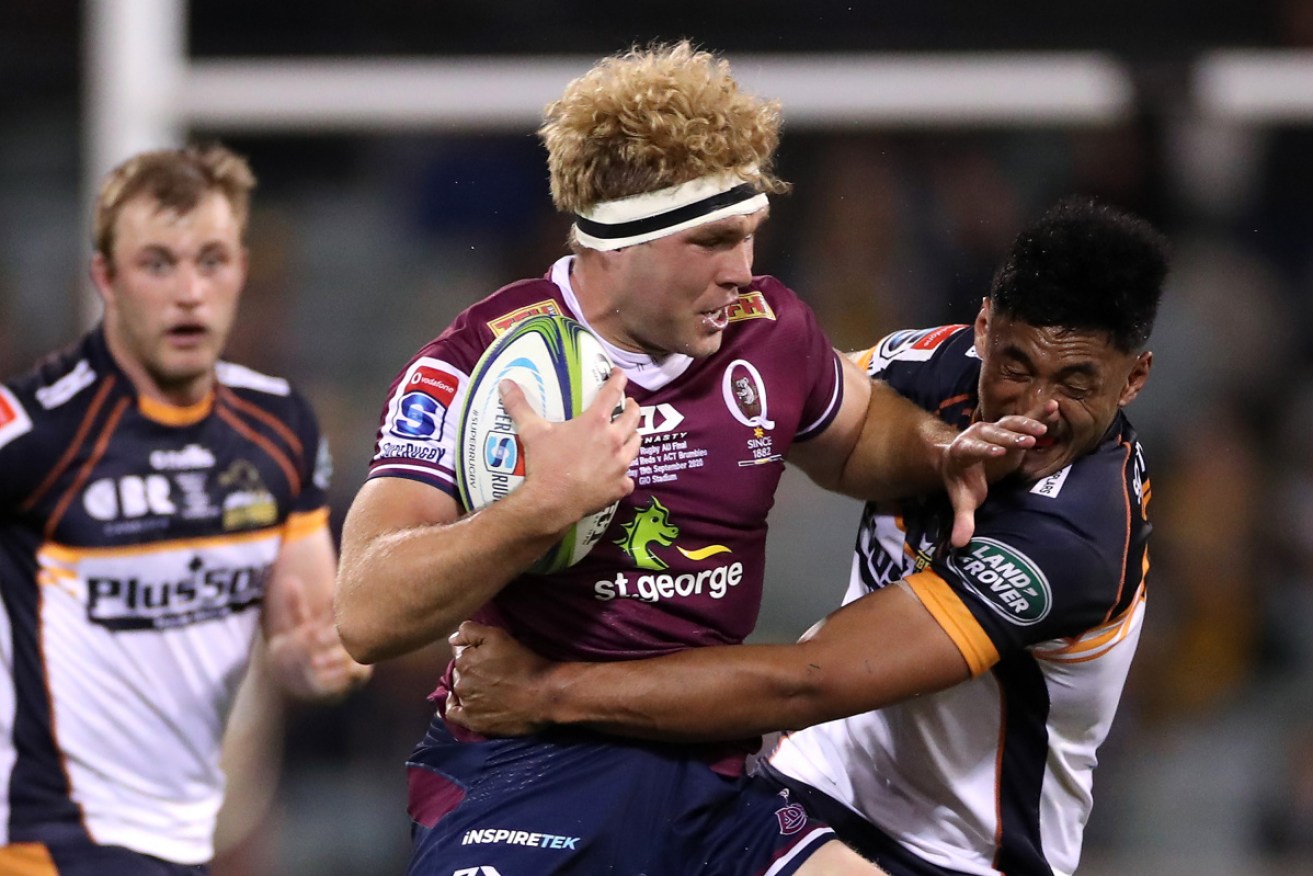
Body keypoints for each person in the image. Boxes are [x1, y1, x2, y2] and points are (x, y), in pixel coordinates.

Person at [335, 41, 1043, 876]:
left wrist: (937, 452)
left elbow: (854, 436)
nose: (740, 271)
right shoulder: (476, 367)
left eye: (748, 235)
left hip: (711, 778)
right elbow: (366, 613)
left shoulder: (768, 328)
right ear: (618, 240)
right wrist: (536, 508)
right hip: (526, 770)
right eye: (710, 242)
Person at [445, 197, 1170, 876]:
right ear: (982, 328)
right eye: (1015, 367)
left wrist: (545, 691)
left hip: (955, 857)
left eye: (1076, 383)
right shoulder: (930, 368)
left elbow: (812, 680)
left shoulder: (1074, 538)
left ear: (1132, 379)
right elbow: (766, 401)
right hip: (807, 788)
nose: (1036, 409)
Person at [0, 144, 371, 874]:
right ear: (105, 278)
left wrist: (316, 660)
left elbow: (306, 635)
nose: (190, 292)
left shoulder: (281, 426)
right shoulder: (31, 428)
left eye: (212, 260)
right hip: (46, 837)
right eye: (158, 264)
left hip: (195, 838)